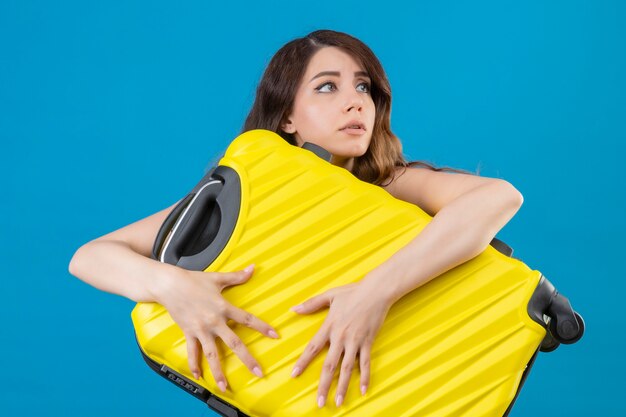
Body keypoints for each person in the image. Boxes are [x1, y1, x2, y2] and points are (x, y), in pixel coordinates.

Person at [68, 29, 524, 409]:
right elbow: (91, 256)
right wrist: (173, 287)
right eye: (327, 87)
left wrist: (375, 292)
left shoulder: (390, 183)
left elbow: (497, 197)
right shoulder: (244, 196)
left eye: (363, 87)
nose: (356, 102)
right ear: (287, 116)